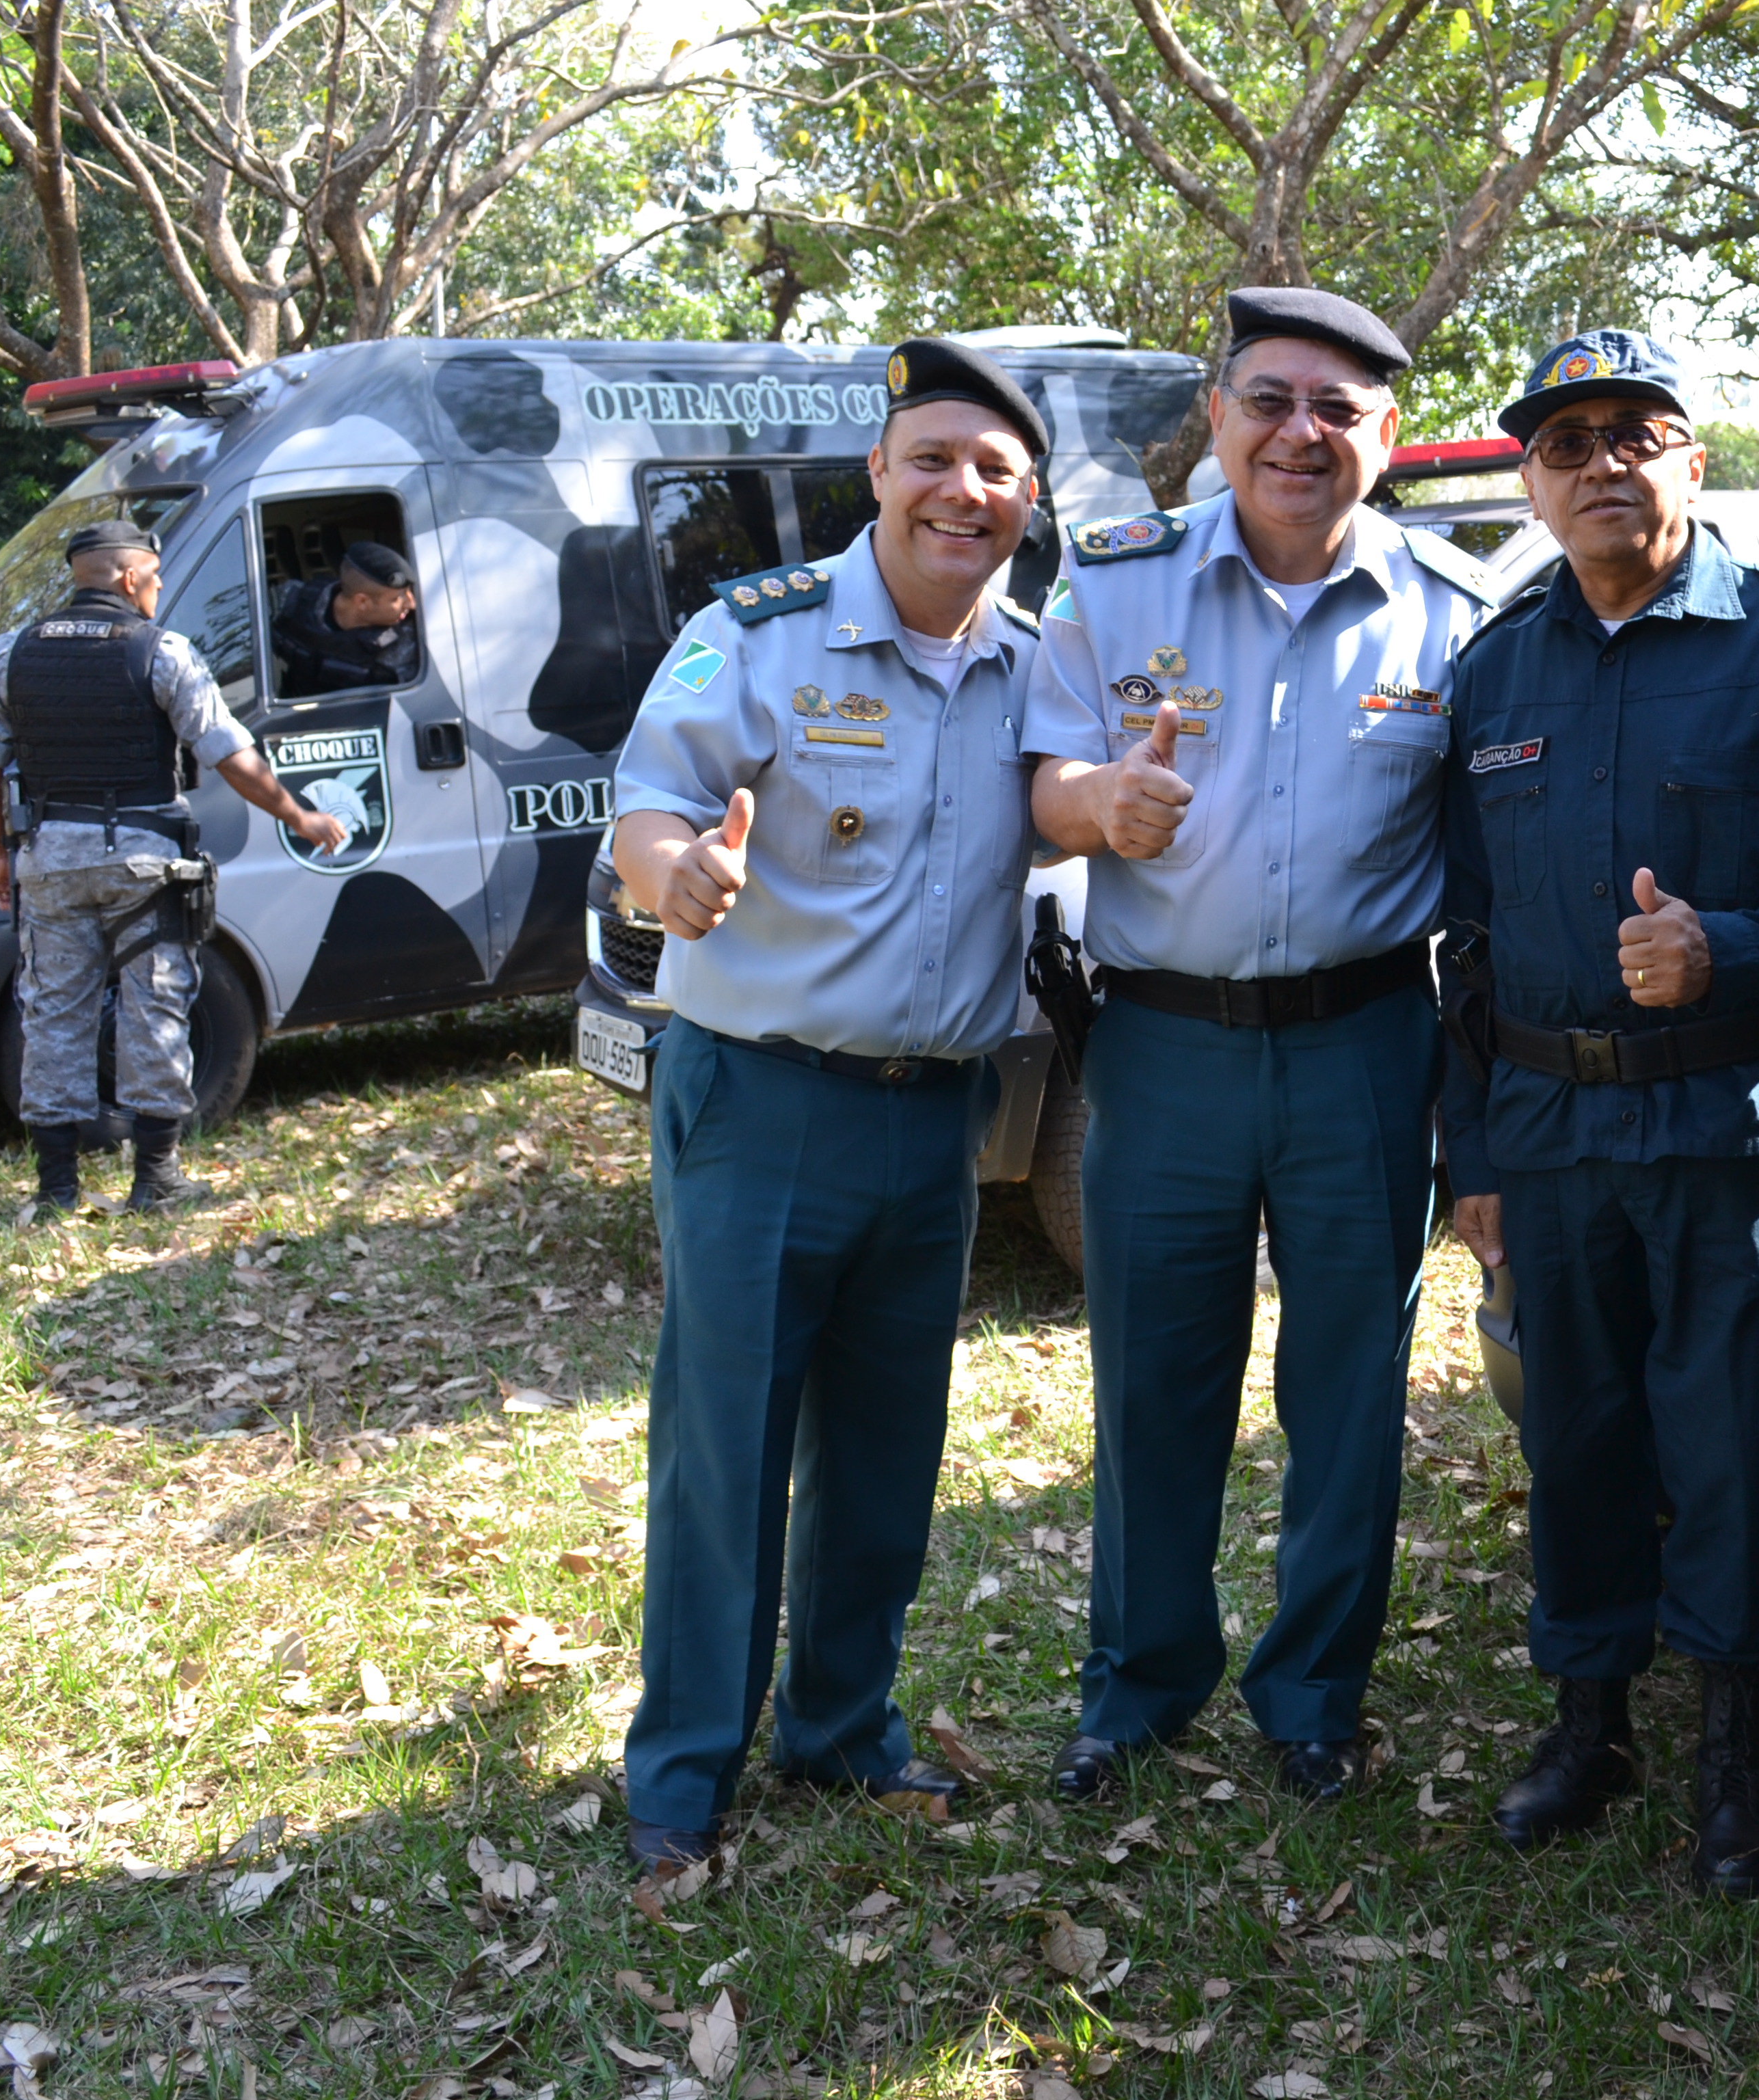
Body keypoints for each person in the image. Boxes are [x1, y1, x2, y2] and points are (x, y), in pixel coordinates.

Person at [1025, 286, 1493, 1805]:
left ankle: (1313, 1695)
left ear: (1387, 436)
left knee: (1349, 1389)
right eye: (1271, 401)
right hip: (1165, 1046)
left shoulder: (1454, 611)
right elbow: (1040, 779)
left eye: (1337, 410)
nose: (1302, 434)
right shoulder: (1115, 582)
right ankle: (1139, 1687)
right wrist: (1098, 804)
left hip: (1366, 1042)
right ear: (1218, 418)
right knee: (1155, 1382)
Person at [1437, 331, 1759, 1896]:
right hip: (1550, 1138)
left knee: (1726, 1443)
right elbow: (1467, 939)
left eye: (1635, 434)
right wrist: (1472, 1152)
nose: (1602, 465)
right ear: (1533, 484)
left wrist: (1732, 946)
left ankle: (1734, 1748)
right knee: (1575, 1438)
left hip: (1727, 1129)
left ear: (1692, 460)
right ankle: (1590, 1724)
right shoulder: (1495, 667)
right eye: (1567, 445)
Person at [607, 339, 1050, 1870]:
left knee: (883, 1447)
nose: (960, 492)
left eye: (993, 470)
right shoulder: (760, 632)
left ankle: (843, 1726)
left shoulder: (1035, 666)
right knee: (727, 1445)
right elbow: (648, 807)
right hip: (762, 1098)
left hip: (935, 1115)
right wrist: (676, 874)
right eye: (931, 459)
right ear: (877, 474)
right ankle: (683, 1771)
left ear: (1028, 500)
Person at [0, 523, 351, 1214]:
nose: (160, 588)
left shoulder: (8, 655)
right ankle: (157, 1178)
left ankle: (56, 1189)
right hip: (144, 865)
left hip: (49, 860)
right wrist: (299, 816)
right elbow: (230, 755)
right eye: (157, 576)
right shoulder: (162, 652)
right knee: (155, 1009)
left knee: (53, 1015)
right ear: (129, 577)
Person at [269, 541, 422, 697]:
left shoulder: (410, 644)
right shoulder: (288, 602)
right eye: (398, 598)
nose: (412, 604)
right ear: (362, 602)